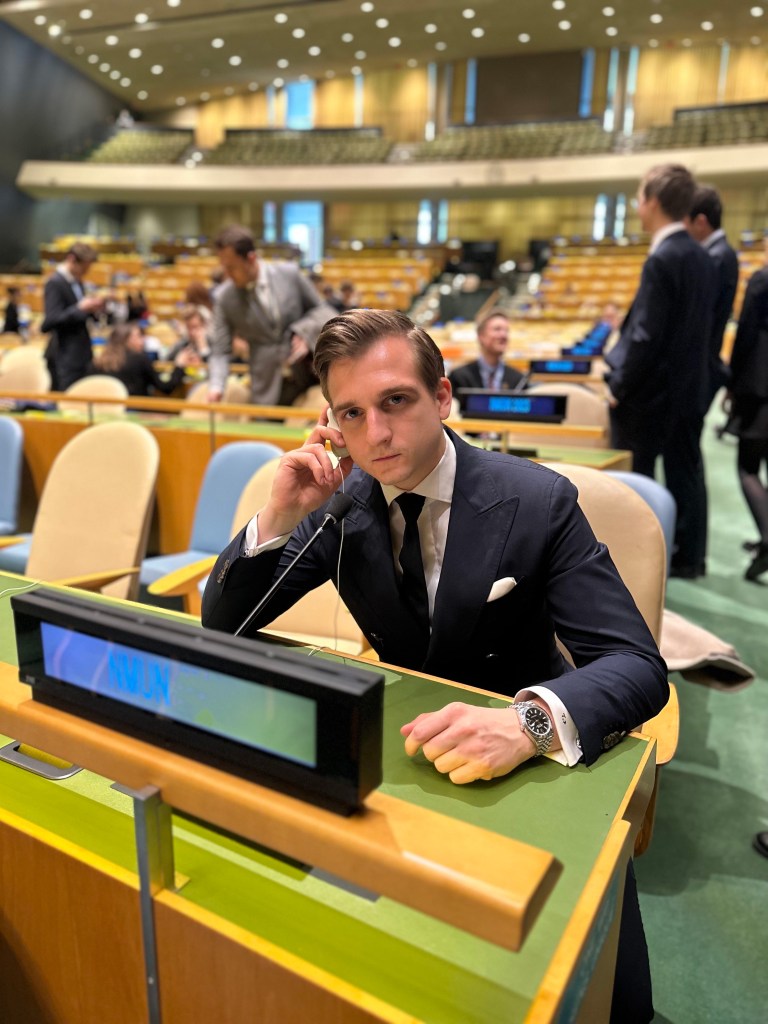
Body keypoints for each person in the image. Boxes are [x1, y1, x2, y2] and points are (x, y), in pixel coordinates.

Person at [202, 308, 668, 1024]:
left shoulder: (538, 501)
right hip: (407, 757)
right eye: (351, 414)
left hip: (536, 762)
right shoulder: (341, 505)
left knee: (593, 991)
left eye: (396, 402)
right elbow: (225, 620)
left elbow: (637, 667)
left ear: (442, 398)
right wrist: (280, 515)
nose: (377, 435)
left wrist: (528, 724)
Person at [605, 164, 716, 579]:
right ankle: (689, 558)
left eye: (639, 197)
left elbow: (647, 337)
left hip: (651, 396)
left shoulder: (663, 258)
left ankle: (640, 561)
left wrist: (619, 384)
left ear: (651, 201)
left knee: (638, 481)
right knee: (686, 473)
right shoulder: (704, 258)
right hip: (688, 391)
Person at [209, 225, 336, 406]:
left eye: (232, 267)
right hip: (265, 387)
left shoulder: (290, 274)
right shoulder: (225, 298)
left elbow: (324, 312)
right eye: (224, 268)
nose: (227, 275)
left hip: (308, 377)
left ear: (251, 258)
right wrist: (216, 386)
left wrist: (303, 332)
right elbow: (219, 350)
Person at [724, 260, 768, 581]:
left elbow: (746, 334)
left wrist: (732, 383)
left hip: (759, 385)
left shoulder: (762, 280)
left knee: (748, 467)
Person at [686, 185, 739, 408]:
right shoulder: (718, 253)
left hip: (700, 365)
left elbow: (700, 318)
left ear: (700, 221)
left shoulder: (716, 257)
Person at [41, 242, 106, 390]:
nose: (86, 272)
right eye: (84, 267)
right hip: (64, 357)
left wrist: (94, 309)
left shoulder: (77, 282)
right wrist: (80, 308)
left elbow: (78, 316)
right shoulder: (55, 283)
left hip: (81, 355)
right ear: (71, 259)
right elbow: (49, 322)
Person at [95, 321, 192, 397]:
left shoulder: (98, 361)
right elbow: (166, 388)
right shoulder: (140, 359)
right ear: (126, 340)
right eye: (139, 336)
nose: (143, 341)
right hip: (138, 412)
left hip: (106, 413)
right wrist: (179, 365)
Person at [448, 308, 527, 397]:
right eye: (497, 329)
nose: (503, 335)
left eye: (506, 330)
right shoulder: (459, 377)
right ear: (481, 335)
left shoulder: (518, 380)